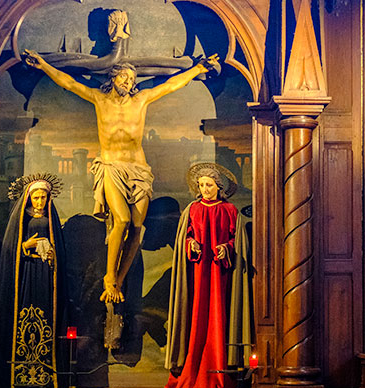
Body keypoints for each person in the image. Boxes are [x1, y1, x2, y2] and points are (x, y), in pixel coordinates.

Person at [22, 50, 220, 304]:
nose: (128, 83)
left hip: (139, 169)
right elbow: (69, 83)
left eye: (131, 79)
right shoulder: (99, 99)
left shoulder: (142, 100)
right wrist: (43, 66)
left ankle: (118, 280)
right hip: (111, 167)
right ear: (113, 78)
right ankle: (108, 276)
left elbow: (171, 85)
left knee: (137, 228)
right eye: (123, 78)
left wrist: (197, 70)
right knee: (122, 220)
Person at [165, 163, 252, 388]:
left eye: (209, 185)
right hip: (196, 275)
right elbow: (187, 235)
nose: (205, 189)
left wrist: (227, 249)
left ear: (219, 187)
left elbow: (238, 242)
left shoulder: (230, 211)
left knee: (218, 318)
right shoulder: (192, 210)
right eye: (201, 185)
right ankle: (191, 370)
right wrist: (190, 244)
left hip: (220, 276)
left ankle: (219, 373)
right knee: (196, 317)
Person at [0, 173, 67, 388]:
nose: (40, 202)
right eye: (36, 197)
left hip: (45, 276)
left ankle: (45, 378)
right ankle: (18, 380)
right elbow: (10, 250)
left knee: (46, 318)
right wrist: (25, 245)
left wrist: (52, 256)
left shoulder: (52, 218)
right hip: (25, 274)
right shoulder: (21, 219)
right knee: (23, 318)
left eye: (43, 197)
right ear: (29, 198)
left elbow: (60, 251)